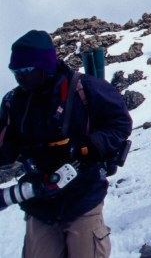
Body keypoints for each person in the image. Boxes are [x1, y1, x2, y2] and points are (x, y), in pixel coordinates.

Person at [1, 29, 132, 258]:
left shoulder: (86, 89)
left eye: (26, 71)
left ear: (44, 66)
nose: (20, 77)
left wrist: (89, 147)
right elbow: (6, 147)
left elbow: (119, 124)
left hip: (82, 196)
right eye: (15, 72)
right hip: (39, 200)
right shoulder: (15, 102)